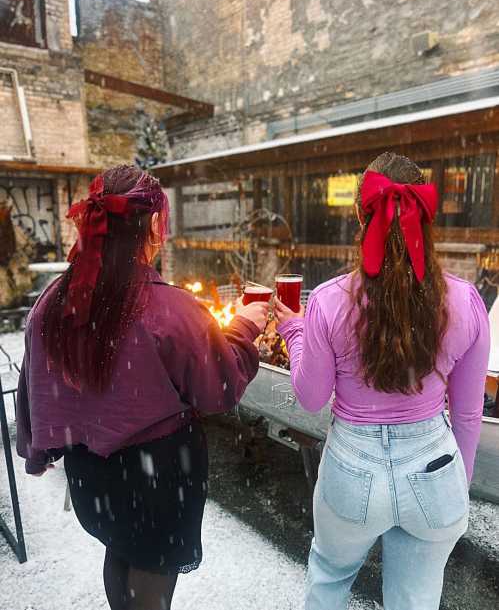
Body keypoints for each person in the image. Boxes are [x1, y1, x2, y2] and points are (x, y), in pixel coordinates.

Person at [16, 165, 270, 610]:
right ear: (153, 224)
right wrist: (245, 328)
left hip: (90, 476)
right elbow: (218, 387)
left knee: (118, 549)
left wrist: (37, 449)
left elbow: (32, 382)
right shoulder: (168, 309)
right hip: (158, 477)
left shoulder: (53, 302)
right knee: (151, 569)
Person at [274, 152, 490, 610]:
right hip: (435, 468)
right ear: (427, 217)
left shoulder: (329, 302)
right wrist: (456, 485)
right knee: (414, 600)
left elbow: (311, 398)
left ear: (359, 213)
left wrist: (293, 330)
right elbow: (468, 413)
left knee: (329, 579)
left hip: (352, 469)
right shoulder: (466, 301)